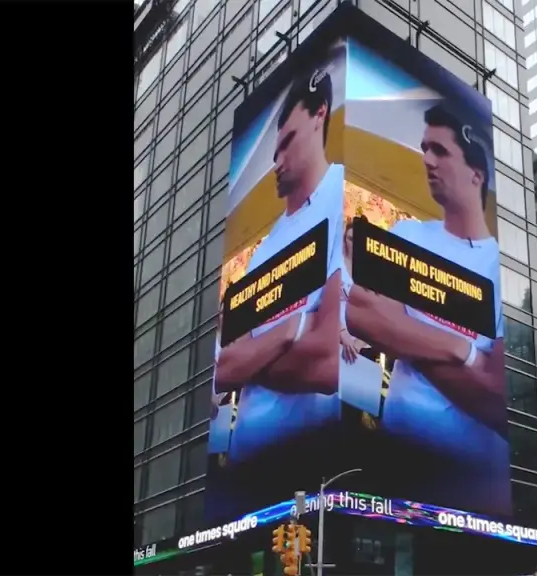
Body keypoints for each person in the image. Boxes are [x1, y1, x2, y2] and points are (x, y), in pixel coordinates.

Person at [345, 103, 508, 510]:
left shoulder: (500, 266)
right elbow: (363, 313)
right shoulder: (408, 235)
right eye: (424, 148)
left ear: (477, 173)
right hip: (397, 459)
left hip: (472, 480)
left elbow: (496, 396)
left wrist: (402, 331)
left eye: (440, 150)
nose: (427, 161)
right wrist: (463, 350)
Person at [213, 61, 345, 464]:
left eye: (286, 142)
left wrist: (253, 357)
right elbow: (223, 370)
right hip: (244, 467)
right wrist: (289, 331)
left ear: (320, 113)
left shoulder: (341, 197)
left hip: (311, 459)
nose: (276, 159)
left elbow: (326, 363)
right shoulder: (262, 252)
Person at [339, 218, 367, 364]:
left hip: (364, 344)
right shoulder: (336, 263)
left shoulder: (372, 270)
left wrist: (359, 344)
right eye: (350, 238)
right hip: (337, 336)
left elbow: (378, 311)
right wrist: (343, 335)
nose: (353, 244)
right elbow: (326, 301)